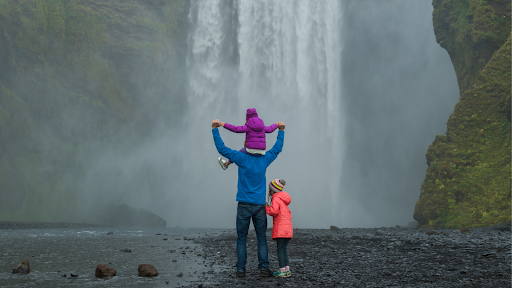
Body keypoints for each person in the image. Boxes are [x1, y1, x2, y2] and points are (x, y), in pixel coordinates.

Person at [211, 119, 285, 277]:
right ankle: (264, 268)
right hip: (259, 206)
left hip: (244, 204)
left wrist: (215, 129)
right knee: (261, 238)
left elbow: (222, 148)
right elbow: (277, 149)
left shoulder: (241, 157)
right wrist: (281, 131)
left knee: (242, 238)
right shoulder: (265, 159)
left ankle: (241, 269)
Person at [265, 179, 293, 278]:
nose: (268, 190)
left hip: (281, 229)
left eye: (269, 188)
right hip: (288, 229)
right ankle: (287, 270)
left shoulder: (276, 198)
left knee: (280, 250)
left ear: (273, 190)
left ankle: (281, 270)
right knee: (284, 249)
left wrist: (267, 208)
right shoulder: (284, 200)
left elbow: (274, 211)